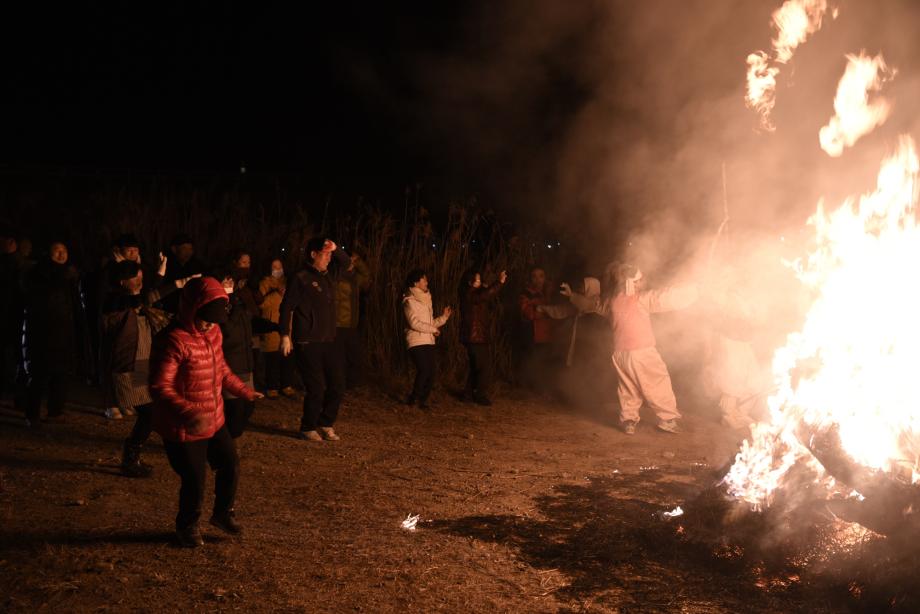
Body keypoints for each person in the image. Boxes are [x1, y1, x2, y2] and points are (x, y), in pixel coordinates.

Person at [150, 276, 262, 548]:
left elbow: (221, 369)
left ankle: (222, 514)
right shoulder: (174, 340)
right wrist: (189, 412)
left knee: (229, 464)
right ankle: (187, 526)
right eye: (205, 318)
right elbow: (160, 386)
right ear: (191, 309)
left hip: (213, 416)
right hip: (184, 426)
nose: (209, 324)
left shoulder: (213, 333)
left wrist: (244, 391)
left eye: (214, 319)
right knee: (194, 479)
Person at [564, 262, 697, 435]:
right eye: (639, 281)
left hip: (620, 354)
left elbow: (590, 305)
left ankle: (629, 421)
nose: (642, 283)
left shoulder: (611, 302)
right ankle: (668, 419)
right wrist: (695, 288)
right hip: (642, 351)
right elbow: (666, 297)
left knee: (628, 387)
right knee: (657, 382)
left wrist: (572, 296)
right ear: (630, 283)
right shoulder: (641, 299)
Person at [100, 260, 177, 476]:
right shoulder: (114, 302)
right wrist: (175, 284)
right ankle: (130, 457)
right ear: (123, 281)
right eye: (137, 278)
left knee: (151, 411)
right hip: (126, 365)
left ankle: (133, 456)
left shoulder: (135, 303)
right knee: (149, 413)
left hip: (142, 362)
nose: (141, 282)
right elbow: (140, 300)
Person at [279, 237, 350, 441]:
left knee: (338, 384)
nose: (329, 258)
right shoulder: (300, 278)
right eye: (325, 254)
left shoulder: (328, 275)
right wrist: (285, 334)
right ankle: (307, 426)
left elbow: (345, 263)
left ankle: (326, 422)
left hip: (329, 339)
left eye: (330, 254)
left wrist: (335, 247)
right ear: (313, 254)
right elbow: (286, 307)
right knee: (316, 387)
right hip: (308, 341)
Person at [22, 242, 90, 427]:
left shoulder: (71, 274)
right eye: (57, 251)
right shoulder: (39, 273)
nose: (61, 254)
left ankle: (55, 410)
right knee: (39, 374)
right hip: (42, 331)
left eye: (64, 251)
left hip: (64, 330)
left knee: (61, 373)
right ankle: (32, 413)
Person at [215, 269, 256, 439]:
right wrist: (236, 307)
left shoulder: (236, 302)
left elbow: (249, 323)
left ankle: (227, 438)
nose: (230, 284)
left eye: (232, 280)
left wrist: (277, 328)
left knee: (248, 406)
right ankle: (223, 442)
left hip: (245, 363)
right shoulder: (218, 305)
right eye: (226, 280)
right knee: (235, 410)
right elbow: (227, 332)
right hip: (230, 364)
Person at [403, 269, 451, 409]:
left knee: (432, 372)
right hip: (415, 341)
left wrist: (443, 318)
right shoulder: (409, 301)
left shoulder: (426, 300)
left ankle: (422, 401)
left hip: (428, 340)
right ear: (416, 282)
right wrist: (433, 329)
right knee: (424, 369)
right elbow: (414, 323)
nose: (427, 282)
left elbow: (429, 324)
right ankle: (413, 399)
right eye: (424, 279)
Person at [459, 268, 507, 405]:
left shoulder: (473, 293)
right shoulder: (470, 294)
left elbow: (485, 294)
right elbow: (486, 295)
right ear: (470, 282)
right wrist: (499, 282)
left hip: (477, 336)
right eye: (477, 280)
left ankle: (467, 395)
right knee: (484, 367)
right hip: (474, 337)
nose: (480, 282)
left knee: (476, 366)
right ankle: (480, 395)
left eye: (480, 279)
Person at [258, 258, 296, 399]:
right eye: (274, 267)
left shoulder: (289, 282)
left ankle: (286, 385)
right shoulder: (264, 283)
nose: (277, 269)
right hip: (271, 325)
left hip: (287, 325)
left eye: (279, 266)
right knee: (272, 359)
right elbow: (261, 304)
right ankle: (272, 386)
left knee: (287, 358)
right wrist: (276, 294)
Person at [334, 249, 371, 390]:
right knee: (339, 358)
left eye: (352, 263)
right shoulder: (336, 278)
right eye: (349, 263)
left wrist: (358, 262)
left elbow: (367, 276)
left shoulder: (354, 279)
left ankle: (350, 383)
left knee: (354, 357)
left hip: (351, 324)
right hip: (338, 324)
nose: (351, 265)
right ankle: (338, 383)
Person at [518, 266, 554, 391]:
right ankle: (532, 387)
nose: (538, 279)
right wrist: (546, 312)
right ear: (530, 278)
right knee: (534, 360)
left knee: (544, 360)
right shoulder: (526, 293)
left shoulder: (550, 292)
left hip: (547, 332)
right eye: (534, 276)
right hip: (533, 333)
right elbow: (528, 313)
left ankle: (542, 387)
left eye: (541, 276)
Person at [160, 233, 207, 314]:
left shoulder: (197, 266)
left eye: (190, 249)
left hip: (190, 309)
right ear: (174, 249)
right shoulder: (165, 264)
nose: (188, 252)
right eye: (185, 248)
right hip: (168, 309)